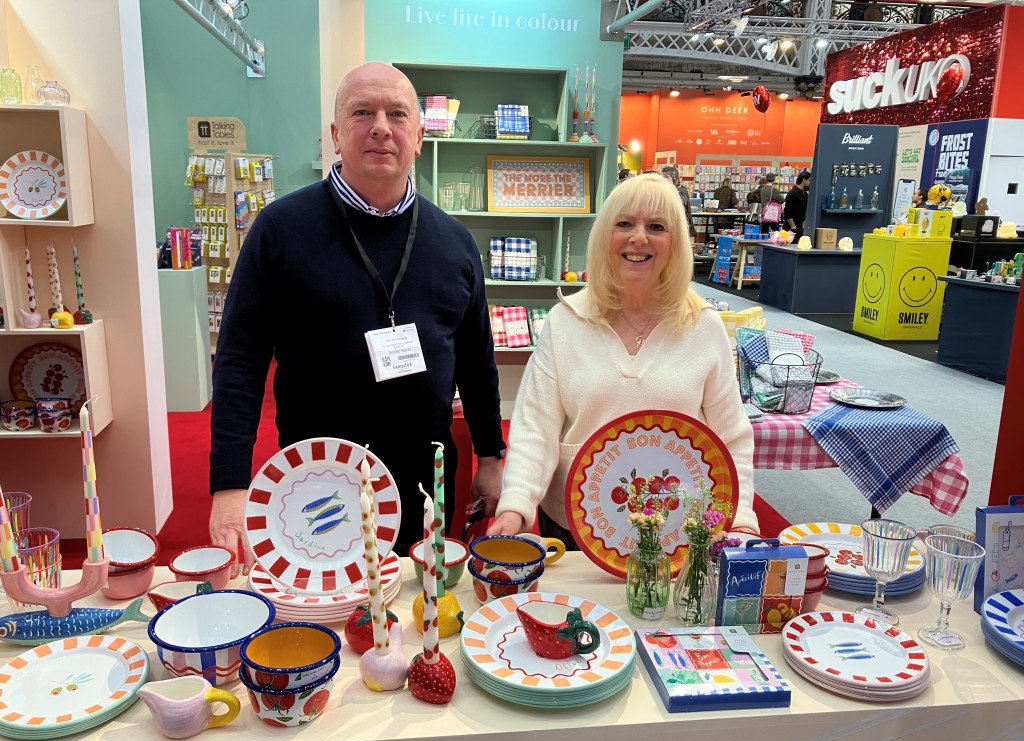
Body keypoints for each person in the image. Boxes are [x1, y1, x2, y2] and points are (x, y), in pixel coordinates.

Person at [209, 62, 506, 574]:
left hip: (424, 480)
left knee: (423, 620)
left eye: (397, 114)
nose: (381, 127)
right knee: (328, 622)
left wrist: (491, 457)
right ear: (335, 135)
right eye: (362, 112)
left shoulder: (454, 242)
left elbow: (477, 362)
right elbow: (240, 361)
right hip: (316, 482)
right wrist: (230, 484)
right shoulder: (281, 230)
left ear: (417, 134)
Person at [488, 173, 758, 542]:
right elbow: (536, 427)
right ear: (605, 236)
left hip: (675, 531)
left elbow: (731, 437)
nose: (639, 237)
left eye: (657, 226)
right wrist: (515, 505)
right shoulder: (566, 320)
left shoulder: (704, 327)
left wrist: (740, 516)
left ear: (675, 243)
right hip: (574, 527)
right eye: (625, 223)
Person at [659, 165, 696, 244]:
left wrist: (670, 187)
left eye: (666, 178)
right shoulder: (660, 191)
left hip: (682, 232)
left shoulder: (682, 191)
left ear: (675, 180)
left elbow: (680, 203)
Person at [784, 170, 812, 241]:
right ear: (803, 180)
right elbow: (787, 211)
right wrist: (793, 226)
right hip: (791, 228)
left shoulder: (805, 194)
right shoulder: (792, 193)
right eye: (809, 180)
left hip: (800, 227)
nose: (810, 182)